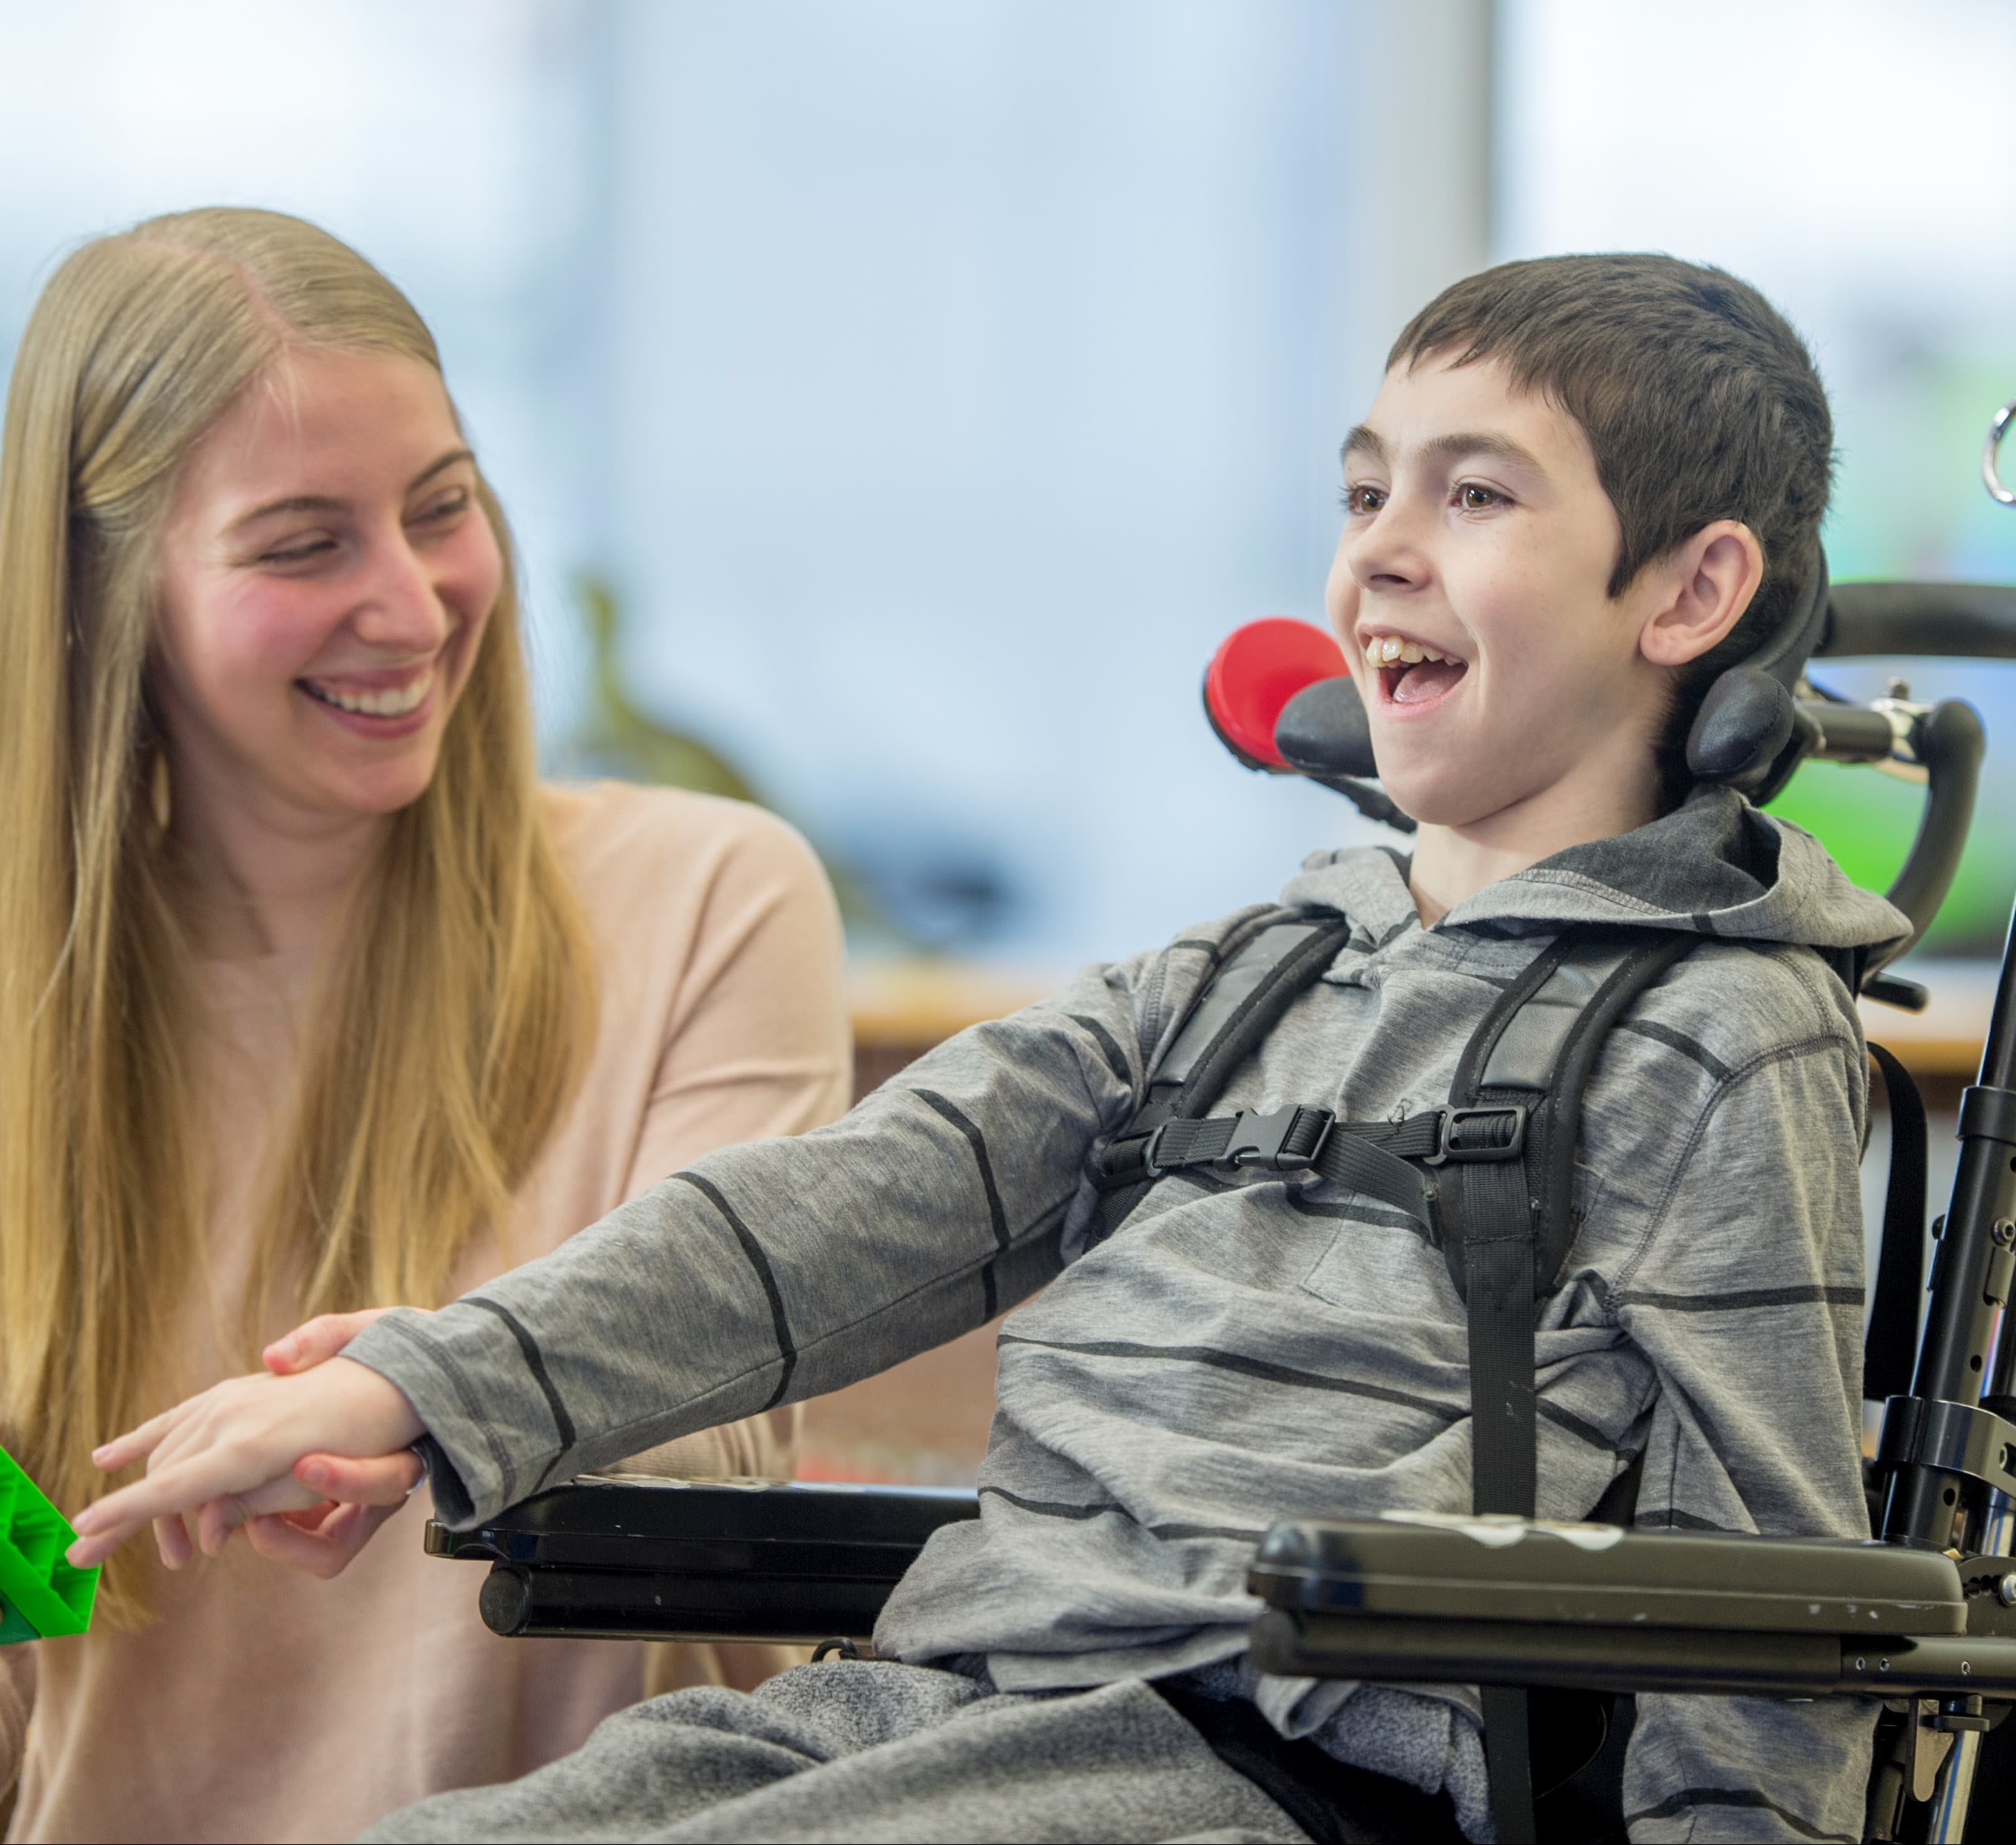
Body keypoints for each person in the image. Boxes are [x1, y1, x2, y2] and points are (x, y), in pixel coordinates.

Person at [71, 254, 1903, 1845]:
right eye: (1363, 494)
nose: (1382, 556)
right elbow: (830, 1217)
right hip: (934, 1714)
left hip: (1256, 1776)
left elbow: (1771, 1614)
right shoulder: (1239, 977)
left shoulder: (1719, 1037)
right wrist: (414, 1387)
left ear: (1683, 594)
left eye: (1478, 496)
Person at [0, 209, 851, 1844]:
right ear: (110, 596)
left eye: (444, 508)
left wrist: (426, 1406)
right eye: (303, 544)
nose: (412, 603)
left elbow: (717, 1445)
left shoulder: (705, 901)